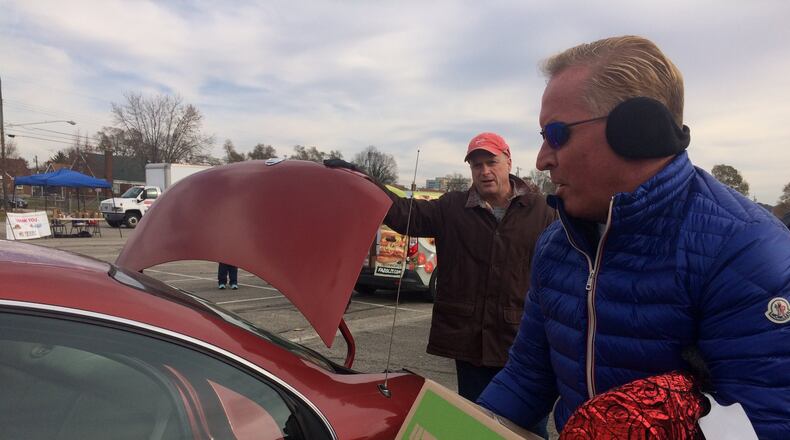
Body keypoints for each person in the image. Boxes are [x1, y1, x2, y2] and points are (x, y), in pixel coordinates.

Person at [477, 35, 790, 438]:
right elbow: (526, 379)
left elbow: (765, 425)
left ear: (637, 130)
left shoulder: (746, 251)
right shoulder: (558, 245)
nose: (542, 159)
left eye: (555, 134)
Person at [327, 132, 555, 438]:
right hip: (470, 343)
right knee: (478, 425)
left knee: (529, 429)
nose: (484, 171)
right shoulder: (452, 207)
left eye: (491, 162)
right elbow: (402, 212)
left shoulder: (542, 211)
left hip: (520, 344)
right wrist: (360, 179)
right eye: (476, 165)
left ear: (509, 162)